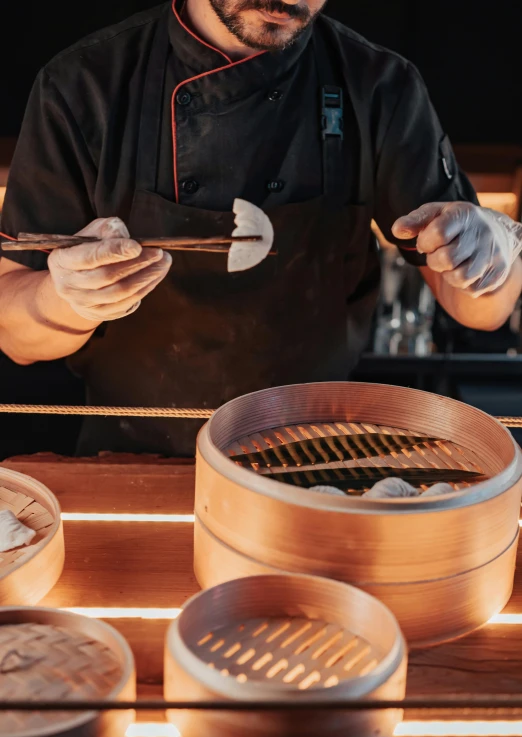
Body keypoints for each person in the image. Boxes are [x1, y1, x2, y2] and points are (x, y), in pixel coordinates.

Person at [1, 0, 521, 456]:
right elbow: (13, 333)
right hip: (130, 458)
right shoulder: (83, 84)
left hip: (314, 465)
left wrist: (499, 250)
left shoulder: (377, 85)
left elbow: (478, 309)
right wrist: (65, 298)